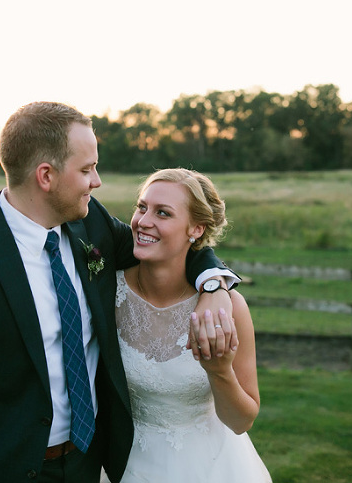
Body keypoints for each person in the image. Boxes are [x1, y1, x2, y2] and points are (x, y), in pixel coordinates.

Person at [0, 102, 238, 483]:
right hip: (0, 470)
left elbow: (173, 245)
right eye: (87, 169)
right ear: (46, 175)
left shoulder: (91, 226)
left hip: (89, 465)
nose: (97, 181)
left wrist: (214, 283)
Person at [110, 168, 271, 482]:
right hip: (123, 461)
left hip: (209, 466)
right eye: (141, 207)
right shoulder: (108, 291)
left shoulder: (230, 308)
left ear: (196, 229)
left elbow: (240, 422)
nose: (143, 221)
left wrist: (220, 371)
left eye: (163, 213)